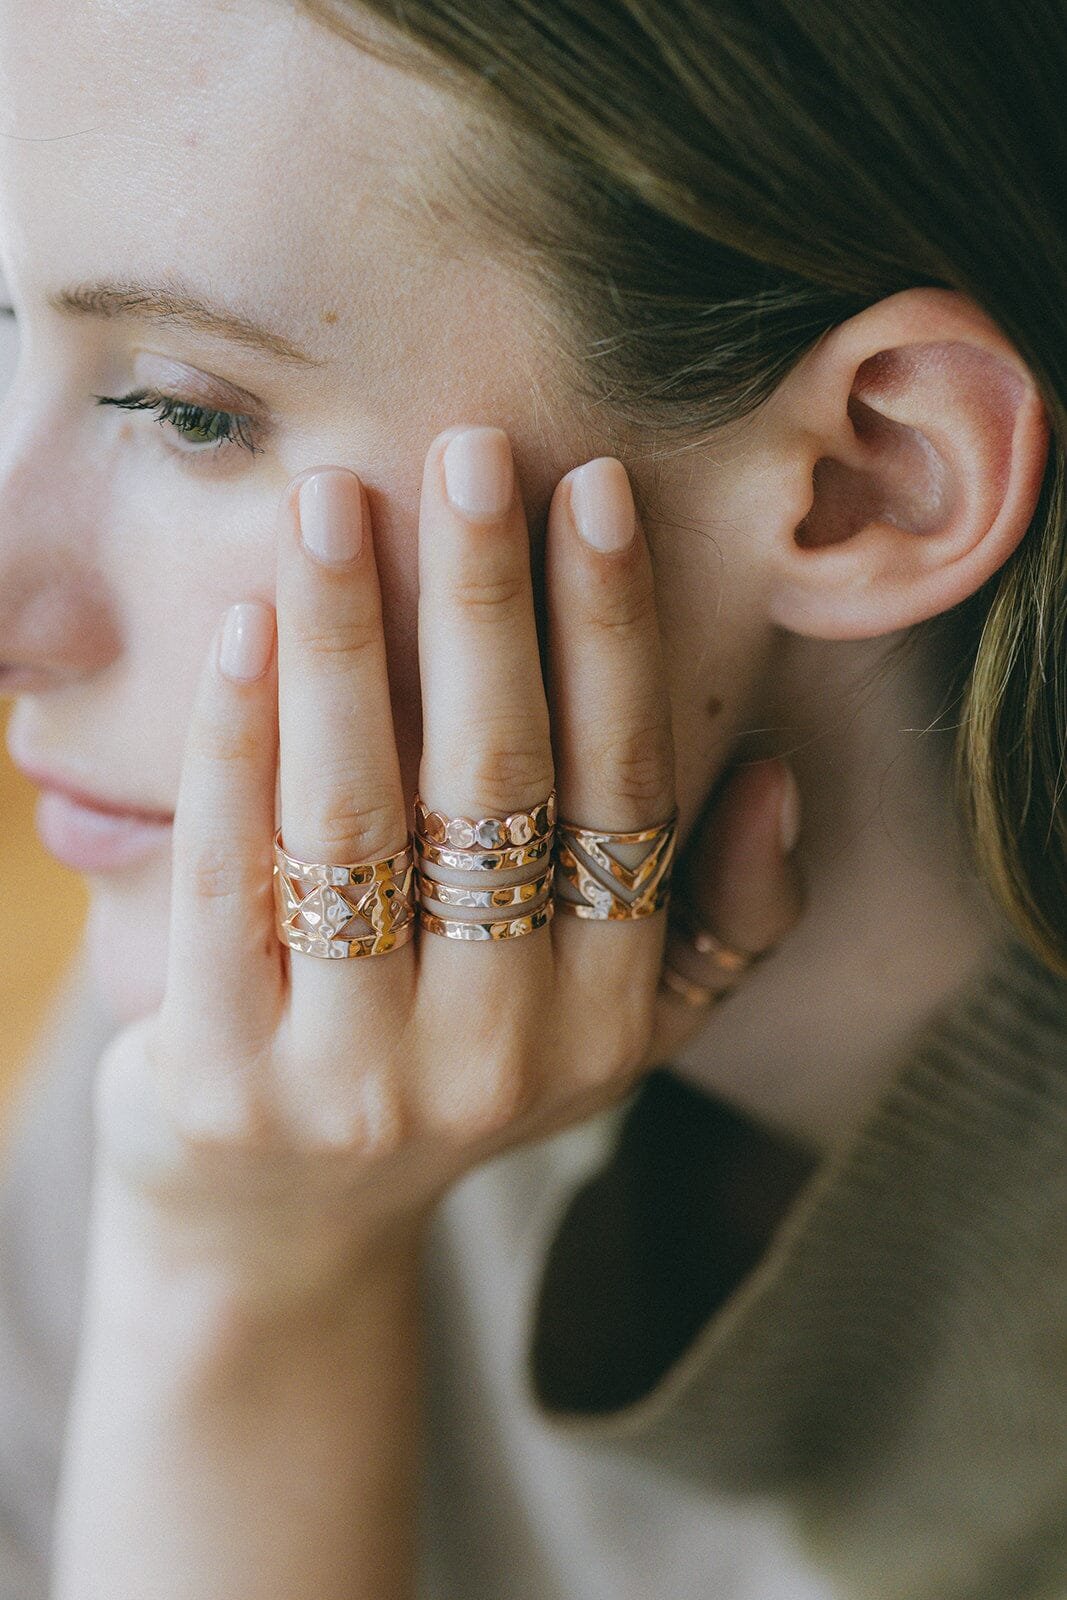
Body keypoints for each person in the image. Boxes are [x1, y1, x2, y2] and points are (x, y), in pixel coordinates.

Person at [0, 0, 1065, 1595]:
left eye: (185, 407)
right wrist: (246, 1262)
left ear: (875, 475)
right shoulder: (285, 975)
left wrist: (245, 1282)